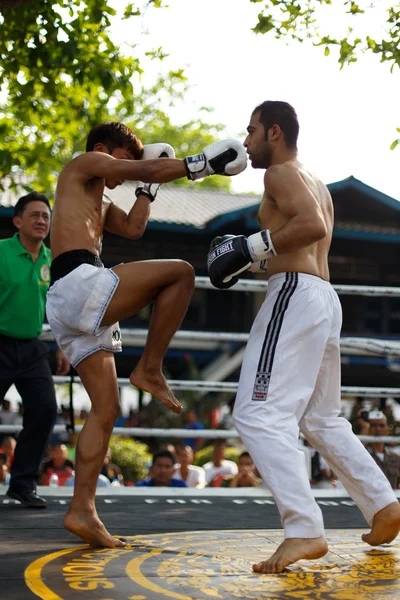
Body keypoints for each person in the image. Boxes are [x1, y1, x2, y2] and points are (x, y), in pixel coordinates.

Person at [207, 100, 400, 573]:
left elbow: (307, 227)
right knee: (322, 418)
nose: (246, 140)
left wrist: (251, 247)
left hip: (294, 296)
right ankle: (383, 504)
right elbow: (305, 236)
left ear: (274, 131)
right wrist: (250, 260)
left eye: (251, 131)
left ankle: (303, 529)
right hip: (321, 297)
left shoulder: (281, 174)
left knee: (256, 414)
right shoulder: (312, 181)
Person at [45, 121, 247, 548]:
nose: (130, 170)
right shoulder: (81, 166)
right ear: (103, 149)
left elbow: (135, 229)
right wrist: (203, 163)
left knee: (105, 409)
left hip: (74, 302)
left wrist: (146, 191)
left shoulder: (96, 202)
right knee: (181, 274)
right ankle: (150, 368)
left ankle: (82, 510)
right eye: (126, 160)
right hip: (79, 282)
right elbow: (151, 171)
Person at [0, 192, 70, 508]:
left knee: (44, 410)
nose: (42, 221)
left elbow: (58, 308)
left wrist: (61, 346)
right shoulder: (1, 253)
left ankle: (22, 484)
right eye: (34, 215)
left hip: (31, 347)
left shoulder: (51, 261)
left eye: (46, 216)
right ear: (17, 221)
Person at [364, 410, 400, 489]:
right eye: (373, 425)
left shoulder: (396, 458)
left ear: (387, 430)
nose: (378, 429)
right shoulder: (363, 455)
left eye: (382, 425)